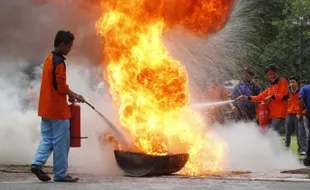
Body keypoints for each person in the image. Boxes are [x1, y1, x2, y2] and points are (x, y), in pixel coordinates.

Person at [31, 31, 85, 182]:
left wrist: (70, 94)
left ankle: (37, 163)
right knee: (61, 143)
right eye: (69, 46)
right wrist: (73, 94)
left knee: (48, 139)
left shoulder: (49, 59)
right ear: (62, 45)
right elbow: (60, 87)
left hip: (46, 109)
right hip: (58, 111)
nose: (70, 50)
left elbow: (55, 85)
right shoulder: (59, 62)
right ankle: (61, 174)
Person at [237, 64, 289, 133]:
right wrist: (246, 97)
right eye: (268, 75)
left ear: (276, 73)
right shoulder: (270, 86)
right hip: (270, 115)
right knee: (268, 135)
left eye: (270, 74)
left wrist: (271, 97)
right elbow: (259, 97)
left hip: (280, 113)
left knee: (271, 133)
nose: (269, 76)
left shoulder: (282, 81)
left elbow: (283, 95)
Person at [285, 76, 300, 151]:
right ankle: (286, 148)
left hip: (298, 115)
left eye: (293, 82)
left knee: (299, 133)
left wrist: (300, 113)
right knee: (288, 132)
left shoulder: (301, 92)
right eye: (290, 82)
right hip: (289, 115)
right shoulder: (287, 93)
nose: (291, 84)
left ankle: (300, 148)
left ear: (297, 83)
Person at [298, 80, 309, 155]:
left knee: (308, 133)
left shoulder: (304, 89)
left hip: (308, 113)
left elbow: (301, 101)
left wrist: (300, 113)